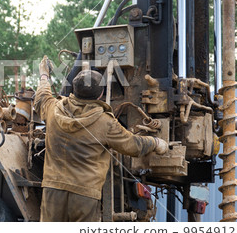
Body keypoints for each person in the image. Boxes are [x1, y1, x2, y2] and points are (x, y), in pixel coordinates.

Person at [34, 56, 168, 222]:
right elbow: (133, 145)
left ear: (73, 91)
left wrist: (44, 74)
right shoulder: (105, 123)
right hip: (84, 195)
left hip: (52, 190)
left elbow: (42, 95)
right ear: (101, 94)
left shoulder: (53, 109)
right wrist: (156, 142)